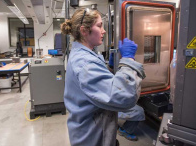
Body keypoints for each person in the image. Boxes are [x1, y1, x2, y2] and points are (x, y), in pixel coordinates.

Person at [61, 8, 146, 146]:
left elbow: (95, 85)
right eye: (99, 26)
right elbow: (124, 97)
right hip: (92, 138)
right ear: (84, 31)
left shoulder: (86, 55)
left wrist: (110, 68)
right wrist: (129, 60)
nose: (104, 31)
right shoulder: (85, 62)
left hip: (93, 130)